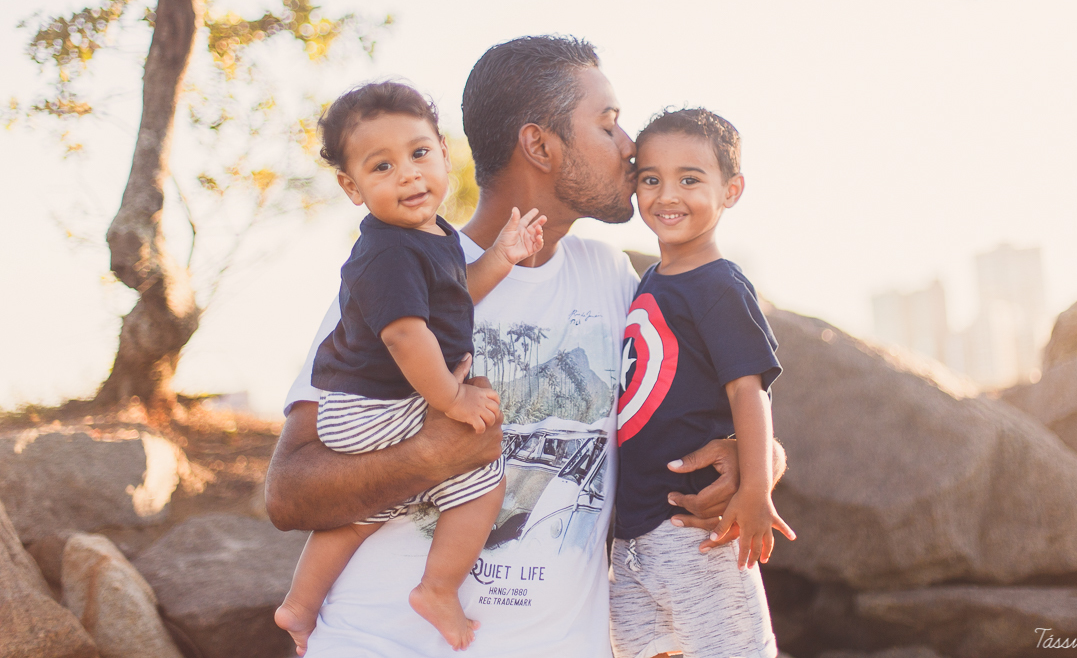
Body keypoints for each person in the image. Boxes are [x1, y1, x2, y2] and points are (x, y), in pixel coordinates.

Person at [264, 36, 785, 658]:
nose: (632, 147)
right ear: (539, 145)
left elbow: (712, 389)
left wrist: (753, 459)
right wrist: (428, 455)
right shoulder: (398, 276)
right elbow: (289, 490)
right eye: (609, 124)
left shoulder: (614, 279)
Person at [273, 81, 547, 654]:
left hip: (367, 406)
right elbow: (405, 334)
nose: (408, 174)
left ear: (445, 153)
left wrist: (500, 257)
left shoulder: (431, 237)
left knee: (369, 510)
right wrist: (452, 400)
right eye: (382, 166)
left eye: (419, 153)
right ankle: (437, 589)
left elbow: (452, 300)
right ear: (352, 187)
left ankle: (299, 607)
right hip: (375, 406)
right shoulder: (390, 250)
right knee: (479, 483)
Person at [610, 108, 794, 658]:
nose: (668, 194)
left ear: (731, 190)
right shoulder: (648, 281)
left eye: (690, 179)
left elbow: (749, 391)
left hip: (695, 530)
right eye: (651, 179)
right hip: (632, 536)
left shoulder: (720, 284)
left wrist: (756, 488)